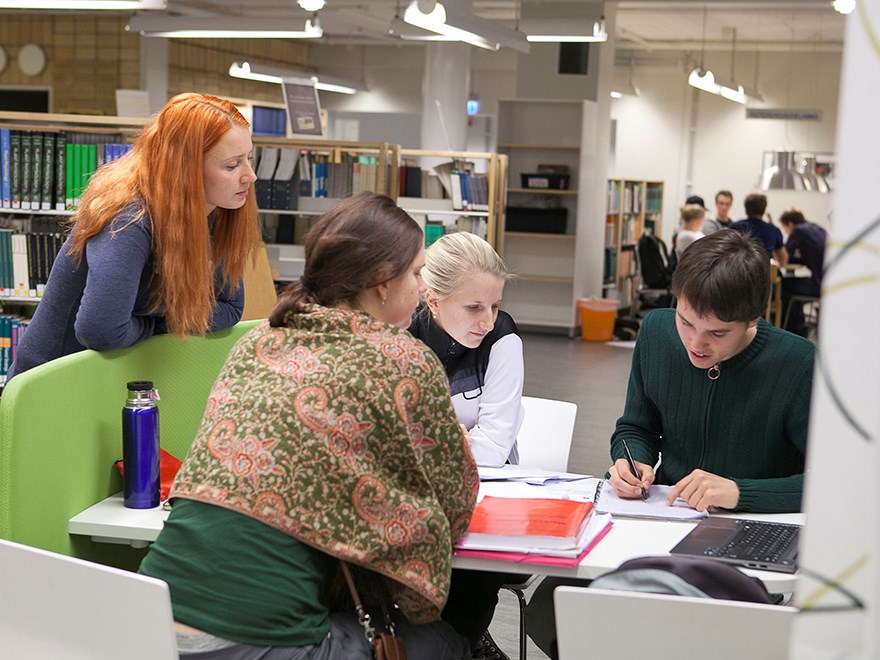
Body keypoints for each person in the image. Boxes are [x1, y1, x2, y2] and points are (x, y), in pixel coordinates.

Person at [139, 192, 478, 659]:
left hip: (145, 621)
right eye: (417, 273)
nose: (423, 288)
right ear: (382, 282)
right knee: (446, 642)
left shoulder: (258, 340)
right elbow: (455, 509)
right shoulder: (403, 357)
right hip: (255, 641)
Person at [525, 230, 816, 659]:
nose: (696, 344)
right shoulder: (657, 331)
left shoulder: (797, 363)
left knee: (674, 631)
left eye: (718, 333)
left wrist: (739, 492)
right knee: (551, 606)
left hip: (744, 548)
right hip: (657, 526)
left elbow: (836, 485)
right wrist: (631, 460)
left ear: (754, 318)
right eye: (687, 321)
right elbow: (635, 427)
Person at [6, 93, 261, 382]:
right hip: (52, 387)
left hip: (114, 380)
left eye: (249, 159)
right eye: (232, 165)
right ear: (185, 170)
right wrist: (163, 322)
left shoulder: (217, 213)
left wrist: (159, 317)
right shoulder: (128, 219)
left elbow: (231, 308)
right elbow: (100, 330)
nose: (249, 176)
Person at [408, 231, 525, 660]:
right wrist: (446, 440)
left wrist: (432, 438)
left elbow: (493, 451)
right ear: (432, 299)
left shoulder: (503, 339)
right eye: (474, 307)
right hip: (417, 489)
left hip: (490, 488)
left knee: (473, 554)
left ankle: (466, 638)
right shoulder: (404, 336)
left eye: (495, 305)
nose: (488, 321)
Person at [779, 208, 828, 336]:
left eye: (785, 229)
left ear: (790, 224)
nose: (787, 232)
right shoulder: (816, 228)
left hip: (818, 285)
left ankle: (790, 328)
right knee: (791, 285)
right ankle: (798, 326)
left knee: (781, 286)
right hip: (826, 283)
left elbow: (785, 254)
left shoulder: (798, 230)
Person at [730, 193, 788, 266]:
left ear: (746, 210)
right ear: (763, 210)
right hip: (763, 272)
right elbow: (783, 259)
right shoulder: (773, 230)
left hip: (739, 271)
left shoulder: (735, 227)